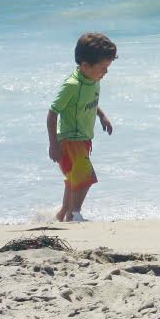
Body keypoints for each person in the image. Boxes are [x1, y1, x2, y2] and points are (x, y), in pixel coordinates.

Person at [47, 32, 117, 222]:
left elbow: (90, 101)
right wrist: (53, 144)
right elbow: (52, 113)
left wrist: (102, 116)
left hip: (83, 139)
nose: (105, 72)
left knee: (74, 179)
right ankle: (75, 214)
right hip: (70, 139)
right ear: (85, 66)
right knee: (85, 177)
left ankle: (62, 214)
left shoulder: (93, 80)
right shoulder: (72, 85)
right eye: (103, 68)